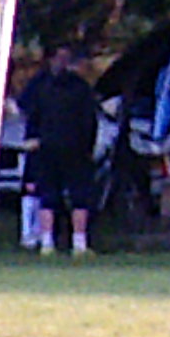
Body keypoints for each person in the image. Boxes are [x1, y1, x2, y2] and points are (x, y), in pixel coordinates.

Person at [20, 45, 106, 259]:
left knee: (48, 195)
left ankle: (47, 242)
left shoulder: (41, 86)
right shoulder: (81, 88)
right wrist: (88, 147)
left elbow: (31, 115)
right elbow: (90, 121)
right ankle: (78, 243)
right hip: (74, 148)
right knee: (78, 196)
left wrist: (34, 139)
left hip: (48, 146)